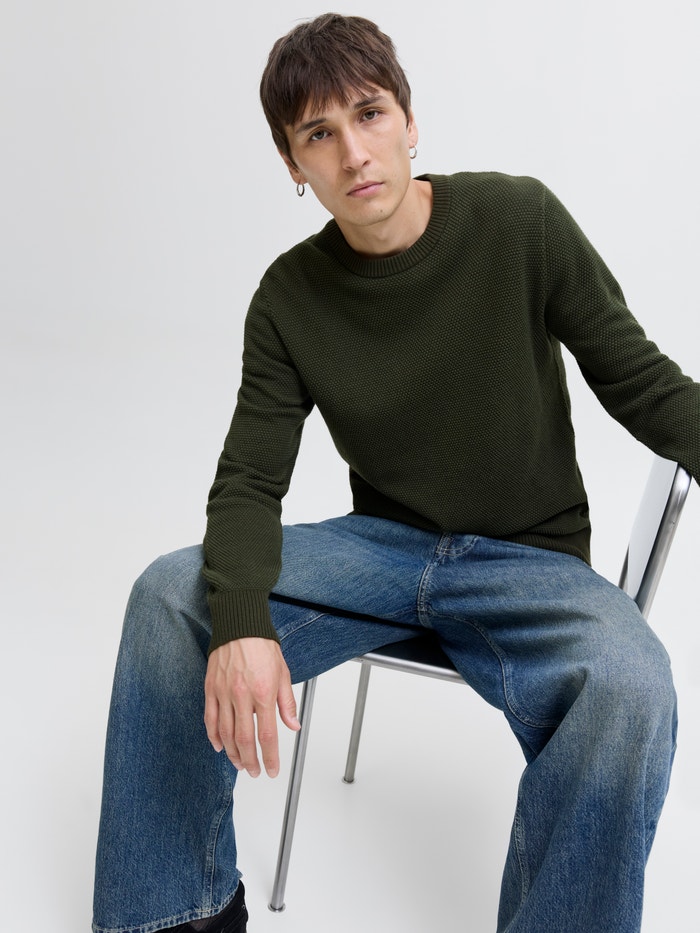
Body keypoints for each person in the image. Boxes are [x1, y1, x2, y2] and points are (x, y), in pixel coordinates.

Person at [92, 12, 700, 933]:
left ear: (411, 121)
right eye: (318, 134)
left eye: (370, 114)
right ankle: (174, 915)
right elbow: (250, 480)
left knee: (631, 680)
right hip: (380, 553)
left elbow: (641, 382)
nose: (354, 153)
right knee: (170, 596)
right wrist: (242, 619)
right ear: (293, 164)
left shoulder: (521, 221)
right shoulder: (288, 298)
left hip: (529, 563)